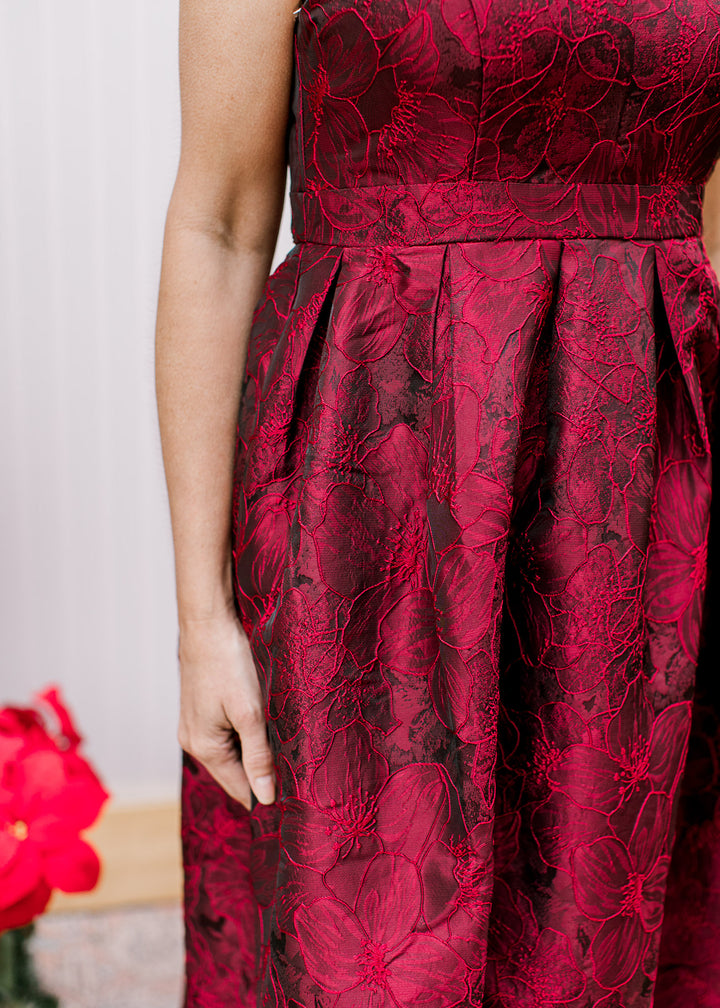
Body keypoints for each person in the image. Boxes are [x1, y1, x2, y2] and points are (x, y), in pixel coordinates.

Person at [154, 0, 720, 1005]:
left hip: (644, 497)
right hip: (370, 487)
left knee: (618, 935)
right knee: (371, 937)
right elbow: (221, 225)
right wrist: (202, 617)